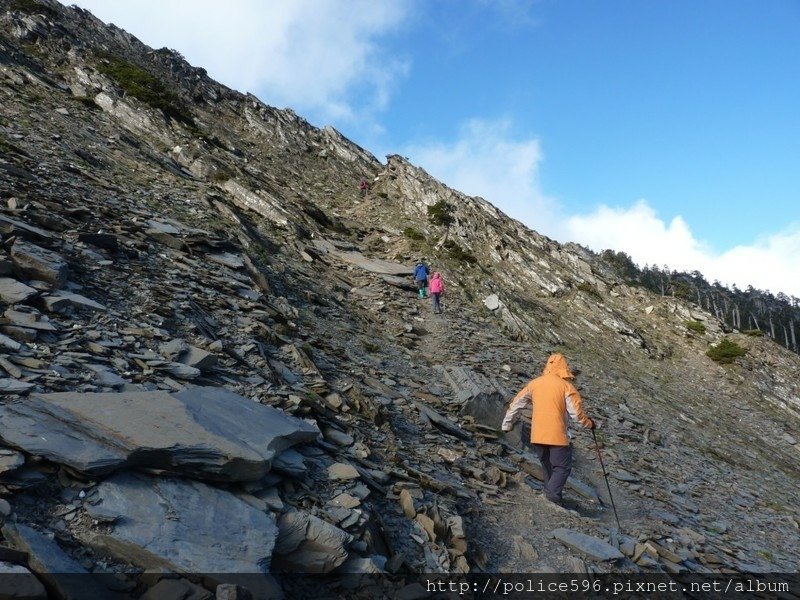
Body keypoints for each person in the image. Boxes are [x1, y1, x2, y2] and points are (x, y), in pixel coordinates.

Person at [501, 353, 595, 506]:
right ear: (564, 368)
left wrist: (507, 424)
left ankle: (549, 492)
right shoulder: (566, 387)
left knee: (547, 464)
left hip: (537, 434)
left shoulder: (534, 384)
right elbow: (576, 415)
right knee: (562, 467)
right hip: (557, 435)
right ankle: (552, 498)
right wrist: (589, 424)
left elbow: (517, 403)